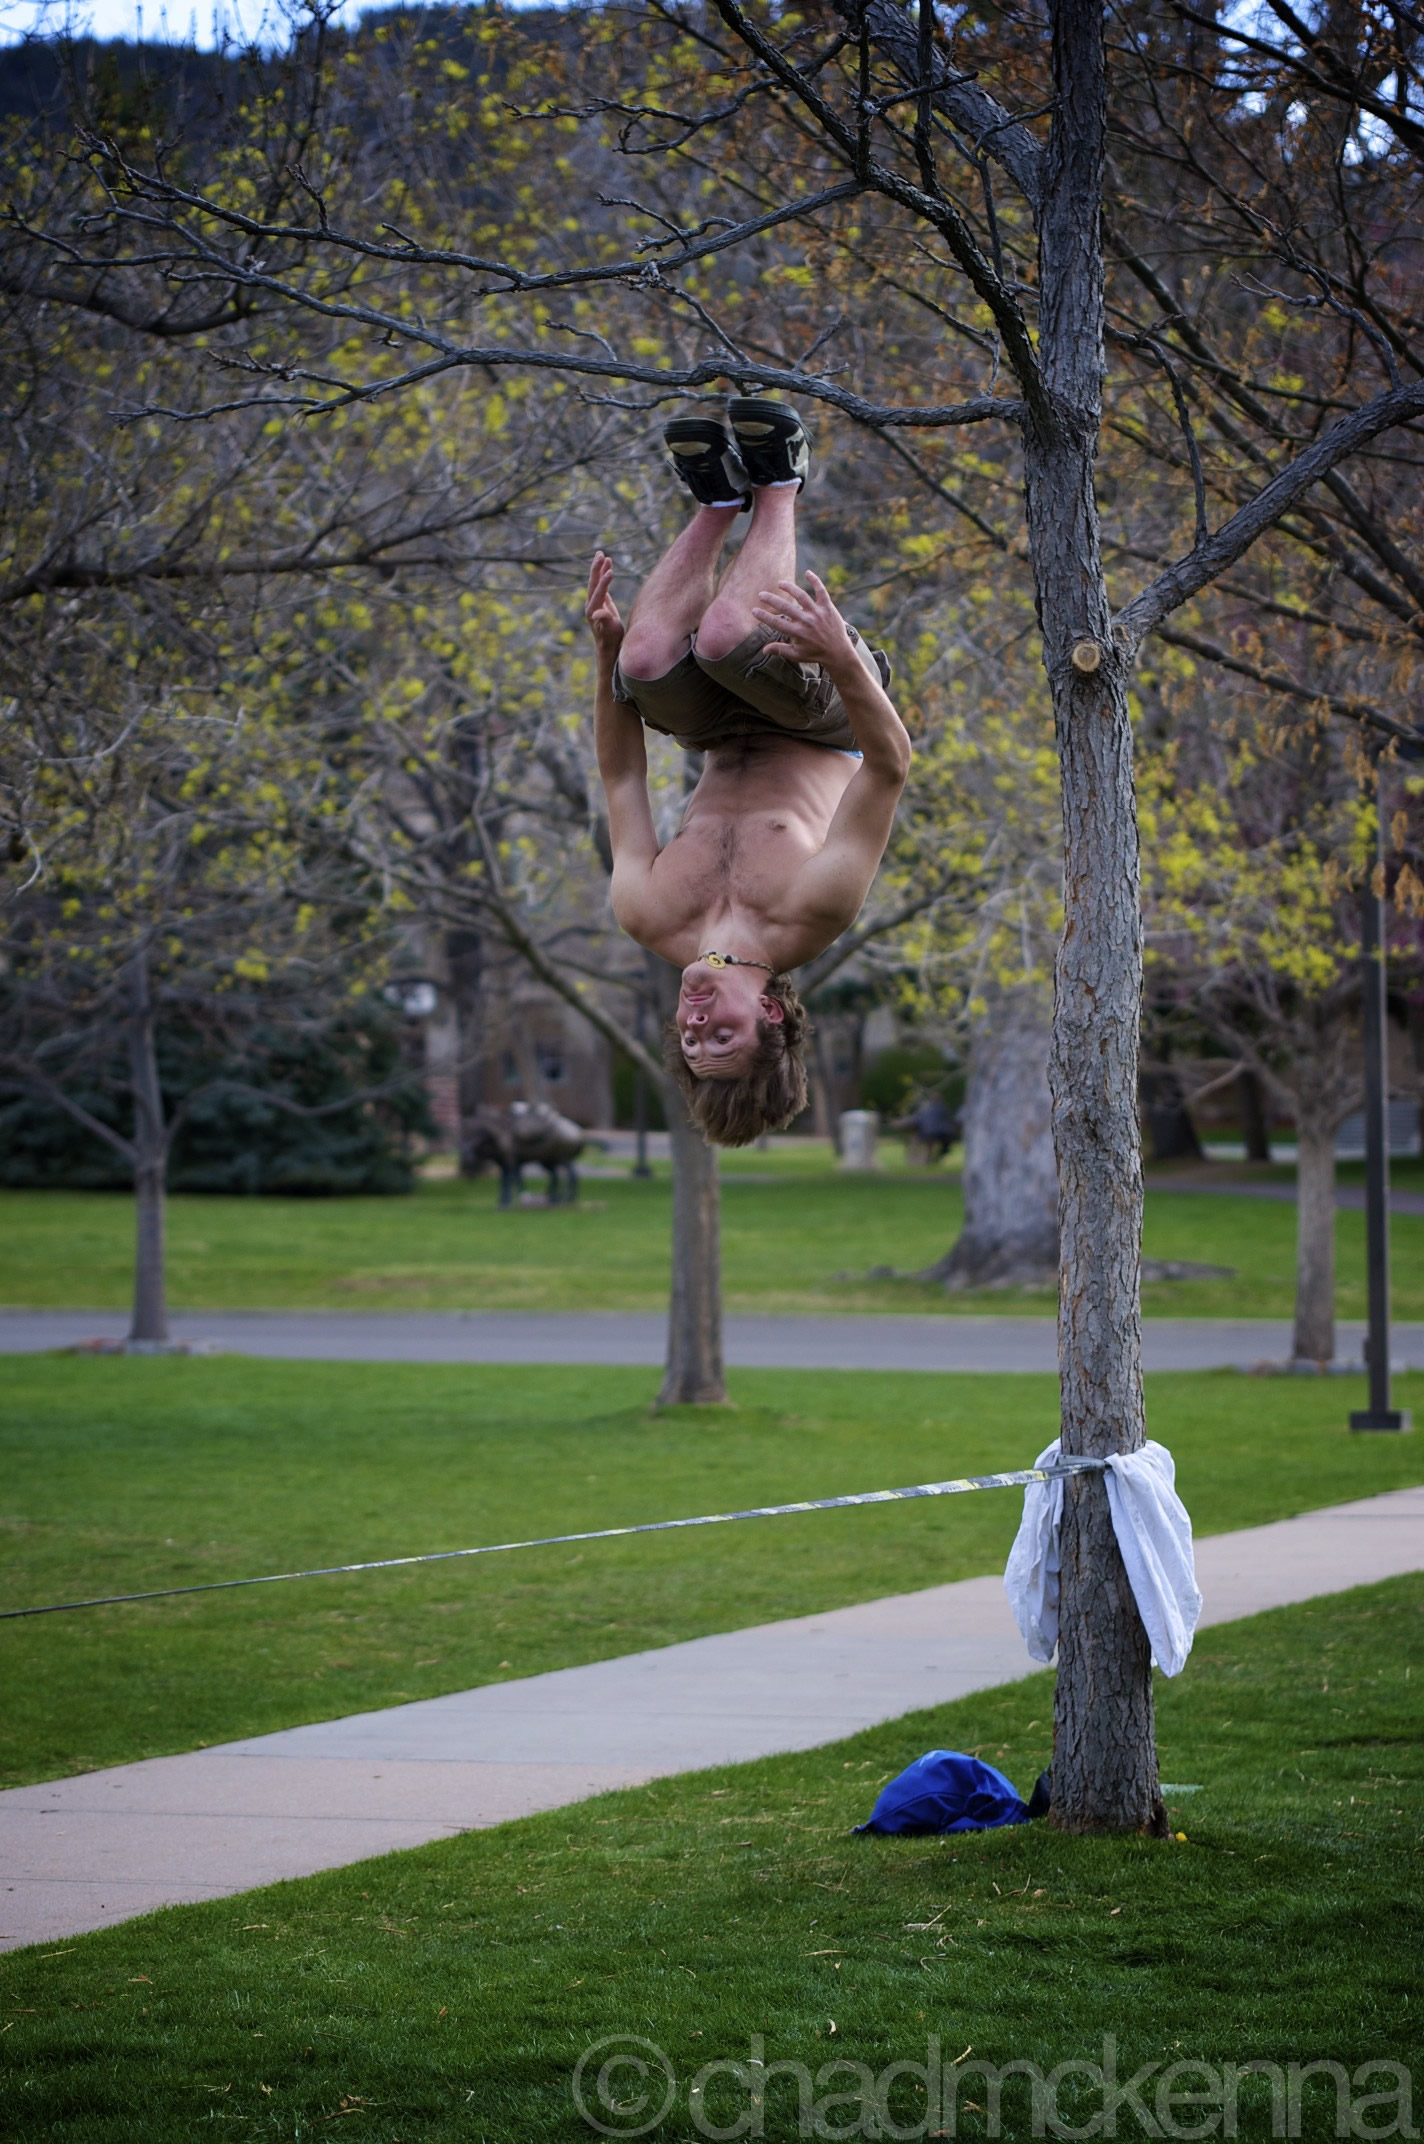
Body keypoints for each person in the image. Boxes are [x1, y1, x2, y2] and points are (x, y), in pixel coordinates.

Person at [584, 399, 912, 1146]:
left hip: (718, 731)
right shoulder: (811, 911)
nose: (696, 1027)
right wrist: (843, 660)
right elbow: (891, 767)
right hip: (827, 716)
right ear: (769, 1015)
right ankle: (780, 480)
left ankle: (719, 500)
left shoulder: (649, 915)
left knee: (642, 657)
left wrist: (606, 661)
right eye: (719, 1040)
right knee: (727, 635)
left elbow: (623, 781)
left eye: (691, 1045)